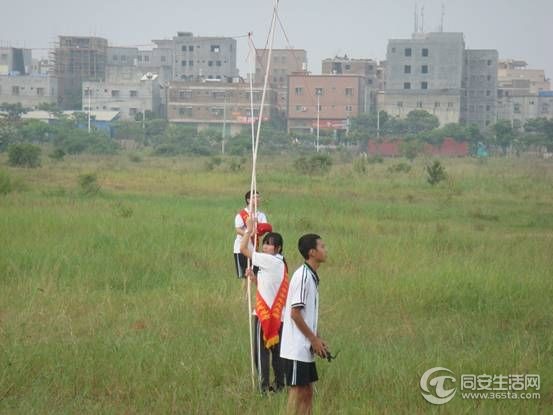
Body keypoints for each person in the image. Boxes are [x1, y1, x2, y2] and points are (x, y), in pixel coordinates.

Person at [280, 234, 328, 415]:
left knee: (307, 391)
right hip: (296, 347)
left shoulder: (311, 276)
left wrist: (317, 339)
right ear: (312, 252)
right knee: (298, 390)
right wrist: (313, 339)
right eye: (322, 247)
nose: (326, 250)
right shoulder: (303, 276)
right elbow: (295, 313)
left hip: (304, 346)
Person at [240, 217, 288, 393]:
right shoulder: (280, 263)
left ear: (278, 248)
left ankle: (263, 388)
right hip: (278, 316)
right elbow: (268, 286)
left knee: (261, 353)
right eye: (265, 244)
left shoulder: (270, 260)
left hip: (265, 315)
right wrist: (254, 278)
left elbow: (243, 248)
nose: (266, 247)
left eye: (270, 245)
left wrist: (249, 230)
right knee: (277, 353)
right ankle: (279, 385)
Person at [233, 190, 271, 279]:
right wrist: (249, 233)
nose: (257, 199)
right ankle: (244, 293)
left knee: (255, 275)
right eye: (254, 197)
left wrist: (258, 227)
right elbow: (238, 230)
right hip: (241, 249)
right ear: (248, 200)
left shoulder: (261, 215)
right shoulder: (241, 215)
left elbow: (263, 229)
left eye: (258, 197)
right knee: (244, 277)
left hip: (254, 249)